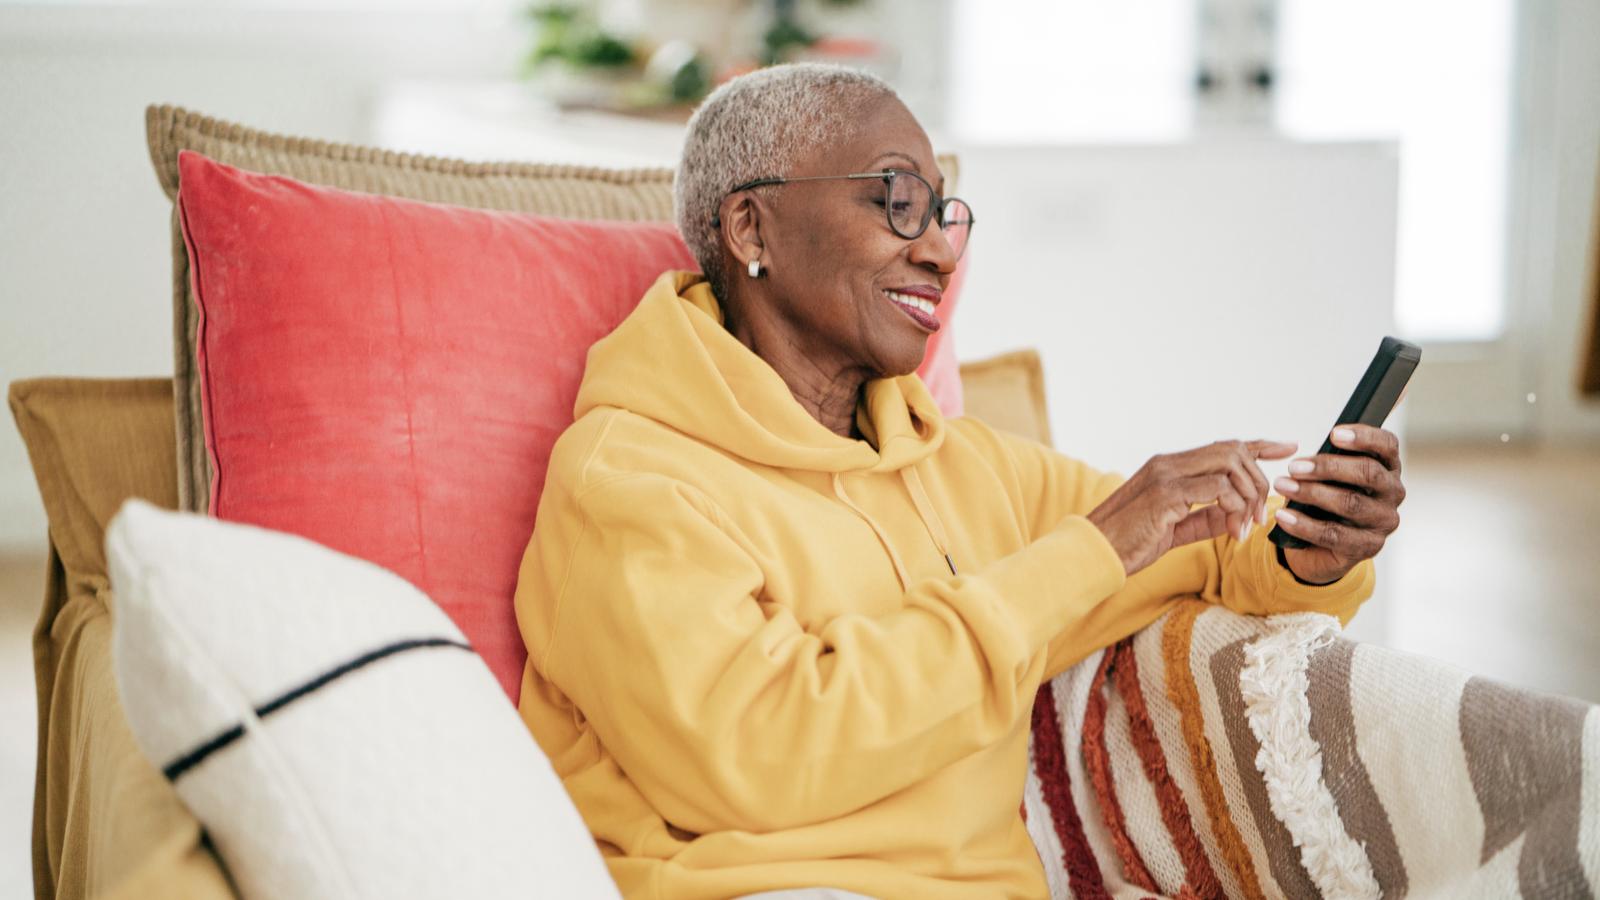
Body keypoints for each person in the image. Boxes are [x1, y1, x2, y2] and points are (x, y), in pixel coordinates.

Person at [513, 63, 1406, 899]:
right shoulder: (629, 480)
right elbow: (756, 762)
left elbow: (1204, 552)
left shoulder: (964, 466)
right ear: (752, 228)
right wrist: (1084, 554)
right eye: (897, 202)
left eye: (945, 214)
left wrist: (1317, 549)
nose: (941, 249)